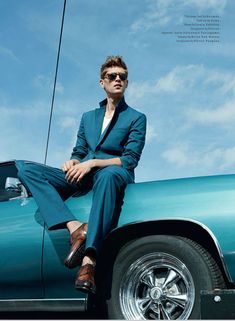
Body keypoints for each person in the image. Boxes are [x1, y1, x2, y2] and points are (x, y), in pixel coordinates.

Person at [16, 56, 146, 294]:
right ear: (102, 82)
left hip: (114, 173)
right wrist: (74, 162)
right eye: (112, 76)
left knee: (107, 176)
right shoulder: (88, 117)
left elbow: (130, 159)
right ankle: (75, 226)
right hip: (85, 172)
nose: (118, 79)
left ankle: (89, 261)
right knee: (25, 168)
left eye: (122, 77)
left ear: (126, 83)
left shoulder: (136, 118)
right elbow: (79, 151)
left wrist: (94, 163)